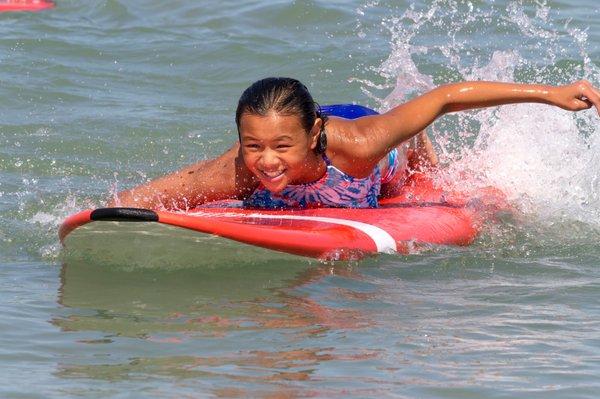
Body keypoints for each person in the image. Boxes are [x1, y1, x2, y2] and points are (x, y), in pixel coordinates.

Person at [110, 77, 600, 210]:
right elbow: (143, 201)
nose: (266, 161)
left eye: (280, 146)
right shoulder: (241, 166)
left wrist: (550, 95)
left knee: (405, 167)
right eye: (252, 144)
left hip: (365, 140)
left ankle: (415, 136)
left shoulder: (362, 146)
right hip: (312, 125)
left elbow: (448, 97)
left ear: (312, 135)